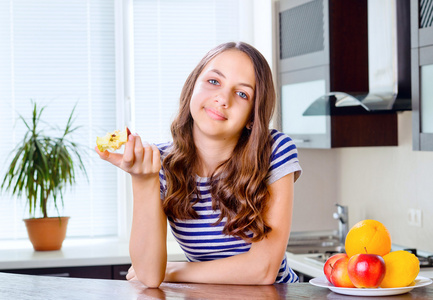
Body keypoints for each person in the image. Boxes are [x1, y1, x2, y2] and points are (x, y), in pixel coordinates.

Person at [96, 41, 302, 288]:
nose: (222, 99)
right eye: (214, 81)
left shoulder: (274, 150)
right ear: (192, 87)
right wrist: (143, 181)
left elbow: (263, 270)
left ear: (252, 117)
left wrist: (172, 271)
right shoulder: (162, 164)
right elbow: (150, 276)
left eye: (242, 94)